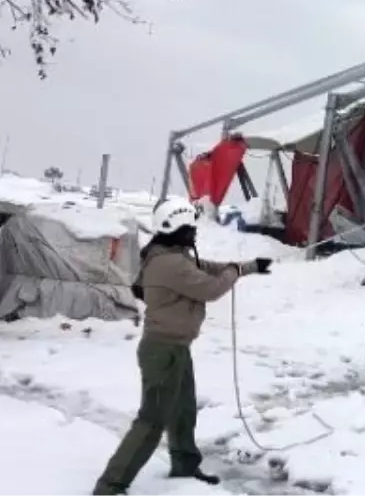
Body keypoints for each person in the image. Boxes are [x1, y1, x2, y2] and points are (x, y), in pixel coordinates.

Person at [93, 197, 272, 496]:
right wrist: (235, 273)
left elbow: (208, 267)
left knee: (183, 409)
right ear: (174, 228)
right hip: (163, 351)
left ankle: (185, 464)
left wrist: (249, 266)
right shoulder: (169, 263)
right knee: (151, 421)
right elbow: (211, 287)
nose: (195, 232)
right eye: (190, 227)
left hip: (175, 348)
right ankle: (110, 486)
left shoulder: (173, 254)